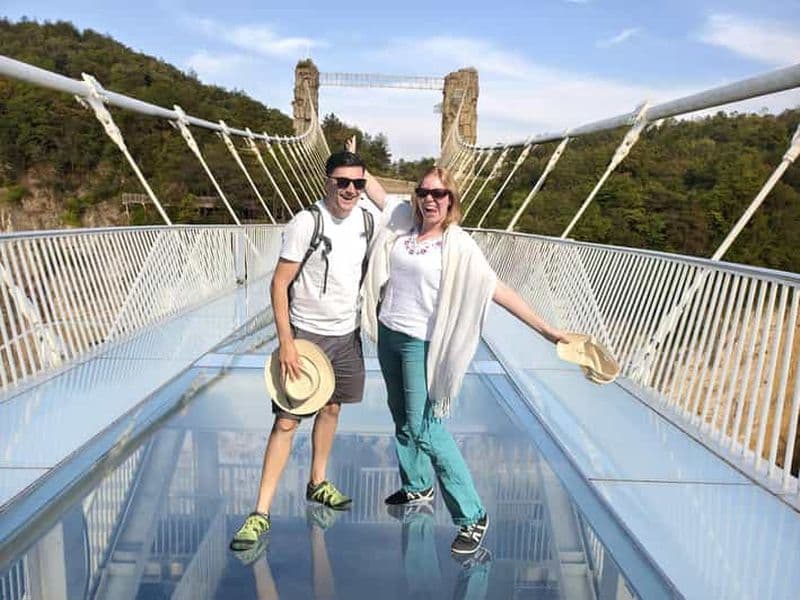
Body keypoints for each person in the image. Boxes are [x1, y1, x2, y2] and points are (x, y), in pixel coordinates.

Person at [362, 166, 566, 556]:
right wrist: (356, 165)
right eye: (424, 192)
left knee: (427, 428)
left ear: (451, 201)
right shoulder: (405, 222)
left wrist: (547, 330)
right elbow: (377, 194)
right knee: (400, 415)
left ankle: (472, 516)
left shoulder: (459, 246)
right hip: (389, 331)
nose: (430, 200)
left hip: (420, 345)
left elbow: (498, 289)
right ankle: (418, 485)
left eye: (440, 194)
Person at [230, 149, 386, 552]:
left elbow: (407, 212)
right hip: (306, 336)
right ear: (326, 182)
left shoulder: (368, 221)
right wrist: (286, 342)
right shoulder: (306, 222)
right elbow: (279, 283)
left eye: (358, 183)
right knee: (287, 421)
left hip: (346, 333)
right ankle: (260, 512)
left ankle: (317, 482)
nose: (349, 190)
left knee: (332, 408)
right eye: (342, 182)